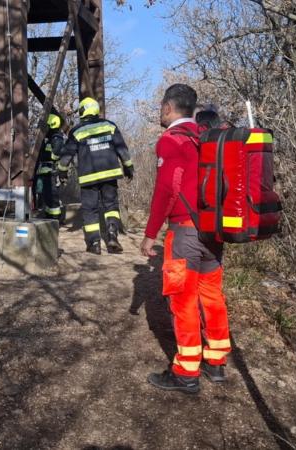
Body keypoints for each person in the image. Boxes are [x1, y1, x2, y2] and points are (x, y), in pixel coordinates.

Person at [140, 85, 230, 394]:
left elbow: (167, 190)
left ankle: (186, 371)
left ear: (167, 107)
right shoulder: (207, 136)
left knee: (183, 300)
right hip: (213, 232)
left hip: (184, 233)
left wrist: (150, 234)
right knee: (212, 296)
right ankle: (216, 363)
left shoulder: (171, 140)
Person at [57, 97, 133, 255]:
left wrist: (62, 171)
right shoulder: (109, 126)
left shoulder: (77, 131)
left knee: (90, 210)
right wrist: (128, 167)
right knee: (111, 206)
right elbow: (122, 150)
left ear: (83, 112)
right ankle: (112, 236)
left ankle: (94, 243)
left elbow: (67, 154)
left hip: (88, 177)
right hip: (110, 175)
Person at [33, 114, 66, 223]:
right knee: (46, 195)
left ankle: (56, 217)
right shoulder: (48, 139)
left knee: (53, 195)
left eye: (46, 126)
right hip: (44, 171)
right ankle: (49, 214)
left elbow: (56, 155)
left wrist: (45, 154)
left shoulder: (57, 138)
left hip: (52, 171)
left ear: (51, 125)